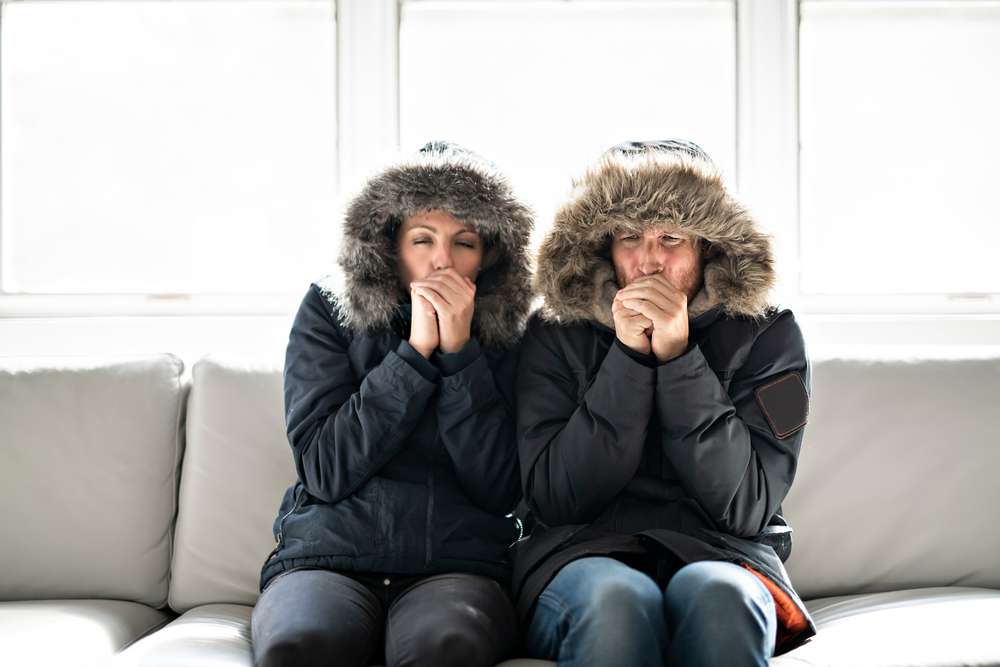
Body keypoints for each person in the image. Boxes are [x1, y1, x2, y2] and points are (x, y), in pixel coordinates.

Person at [512, 139, 818, 667]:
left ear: (708, 245)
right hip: (580, 553)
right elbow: (556, 500)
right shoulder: (553, 332)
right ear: (603, 246)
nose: (649, 259)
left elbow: (748, 505)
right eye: (629, 236)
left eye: (671, 237)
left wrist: (679, 359)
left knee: (723, 600)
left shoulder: (773, 335)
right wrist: (628, 360)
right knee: (617, 603)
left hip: (724, 553)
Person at [251, 140, 534, 667]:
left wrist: (459, 354)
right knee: (301, 646)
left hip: (458, 565)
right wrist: (414, 354)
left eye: (464, 242)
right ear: (389, 246)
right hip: (327, 559)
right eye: (422, 239)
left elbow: (501, 487)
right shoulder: (328, 310)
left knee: (444, 648)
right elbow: (325, 468)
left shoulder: (518, 335)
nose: (442, 259)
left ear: (491, 255)